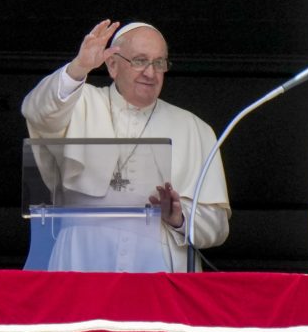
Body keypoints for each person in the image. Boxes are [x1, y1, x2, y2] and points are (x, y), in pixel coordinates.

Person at [22, 19, 230, 272]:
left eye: (159, 63)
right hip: (81, 259)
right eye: (140, 61)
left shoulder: (195, 129)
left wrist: (178, 217)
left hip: (159, 267)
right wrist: (78, 67)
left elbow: (217, 226)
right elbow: (36, 110)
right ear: (112, 65)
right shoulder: (79, 102)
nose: (150, 73)